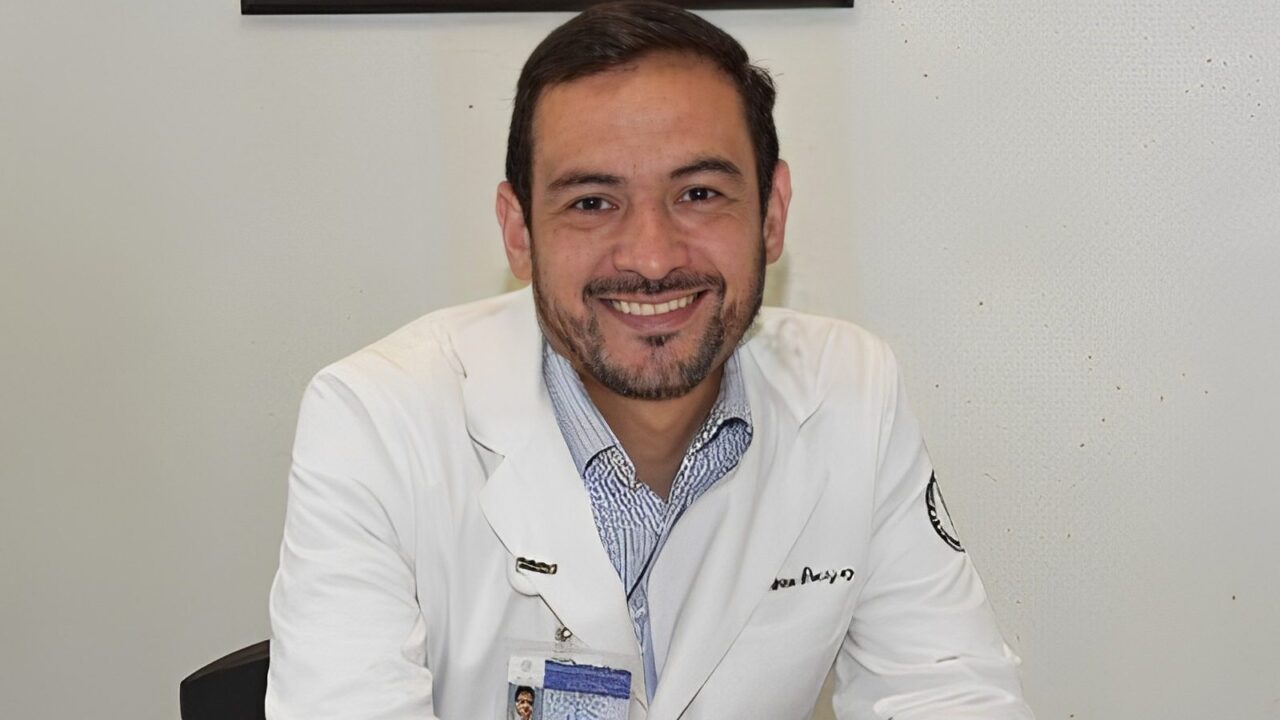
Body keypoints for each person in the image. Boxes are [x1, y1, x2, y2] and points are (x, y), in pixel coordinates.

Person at [265, 2, 1034, 719]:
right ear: (519, 232)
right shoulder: (374, 421)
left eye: (698, 193)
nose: (653, 257)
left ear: (772, 214)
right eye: (592, 202)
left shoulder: (851, 393)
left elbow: (950, 691)